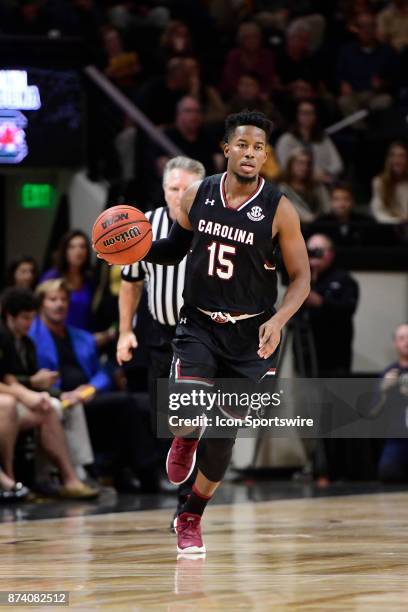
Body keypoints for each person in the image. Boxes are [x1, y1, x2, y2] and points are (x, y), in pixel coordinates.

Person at [114, 110, 310, 554]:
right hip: (199, 323)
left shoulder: (280, 209)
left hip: (250, 337)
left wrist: (278, 320)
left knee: (223, 441)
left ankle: (190, 516)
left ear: (265, 155)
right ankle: (185, 436)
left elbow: (301, 280)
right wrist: (133, 249)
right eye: (243, 145)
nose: (250, 153)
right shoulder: (199, 194)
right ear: (227, 148)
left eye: (259, 147)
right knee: (188, 410)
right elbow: (173, 250)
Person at [119, 156, 205, 509]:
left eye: (186, 189)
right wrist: (125, 331)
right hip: (157, 333)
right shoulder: (145, 227)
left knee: (191, 418)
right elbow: (130, 283)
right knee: (166, 419)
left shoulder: (213, 227)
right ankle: (178, 486)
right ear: (163, 189)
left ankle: (187, 505)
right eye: (173, 188)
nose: (179, 195)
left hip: (201, 335)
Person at [30, 279, 159, 493]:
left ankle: (126, 471)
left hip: (88, 396)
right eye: (53, 299)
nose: (59, 304)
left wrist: (89, 390)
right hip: (59, 398)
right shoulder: (32, 337)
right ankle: (145, 473)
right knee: (126, 403)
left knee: (147, 403)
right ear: (42, 304)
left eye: (63, 299)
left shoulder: (80, 337)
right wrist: (64, 394)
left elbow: (105, 370)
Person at [0, 287, 95, 482]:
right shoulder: (3, 337)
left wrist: (61, 394)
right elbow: (7, 377)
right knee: (46, 407)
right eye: (25, 318)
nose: (29, 324)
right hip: (12, 398)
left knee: (63, 405)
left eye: (31, 318)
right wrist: (31, 383)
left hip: (23, 396)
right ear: (10, 315)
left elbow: (20, 380)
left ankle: (74, 472)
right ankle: (21, 476)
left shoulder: (27, 343)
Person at [40, 230, 116, 347]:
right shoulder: (52, 277)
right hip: (55, 340)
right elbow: (40, 314)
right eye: (72, 247)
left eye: (82, 247)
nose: (78, 251)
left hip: (85, 341)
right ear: (64, 251)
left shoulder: (90, 279)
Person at [304, 234, 359, 376]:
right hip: (305, 351)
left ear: (331, 253)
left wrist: (321, 302)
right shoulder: (300, 279)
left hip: (335, 351)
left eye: (320, 250)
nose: (315, 254)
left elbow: (348, 308)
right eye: (311, 250)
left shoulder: (343, 279)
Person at [276, 100, 343, 183]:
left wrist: (325, 172)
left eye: (311, 113)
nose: (307, 116)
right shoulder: (286, 140)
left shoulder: (323, 138)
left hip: (323, 181)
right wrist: (311, 176)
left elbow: (338, 164)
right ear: (297, 115)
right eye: (303, 113)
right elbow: (285, 166)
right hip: (295, 184)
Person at [378, 323, 408, 482]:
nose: (406, 342)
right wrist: (383, 388)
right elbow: (372, 411)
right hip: (398, 437)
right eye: (402, 338)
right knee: (388, 471)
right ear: (396, 343)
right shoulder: (389, 373)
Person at [220, 21, 276, 98]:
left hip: (261, 98)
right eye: (247, 37)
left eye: (255, 37)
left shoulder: (267, 55)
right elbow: (230, 81)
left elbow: (269, 81)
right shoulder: (233, 56)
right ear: (239, 40)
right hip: (236, 98)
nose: (252, 41)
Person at [312, 183, 376, 246]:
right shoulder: (320, 224)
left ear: (352, 201)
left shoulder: (365, 223)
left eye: (346, 199)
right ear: (330, 202)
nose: (341, 204)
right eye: (336, 199)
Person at [279, 147, 330, 222]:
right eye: (300, 163)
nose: (305, 167)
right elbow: (296, 213)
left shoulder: (317, 186)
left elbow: (328, 209)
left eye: (308, 164)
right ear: (290, 165)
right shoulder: (283, 189)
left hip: (322, 225)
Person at [370, 141, 408, 223]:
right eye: (393, 156)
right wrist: (399, 221)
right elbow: (379, 212)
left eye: (402, 156)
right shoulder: (380, 182)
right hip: (392, 227)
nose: (397, 160)